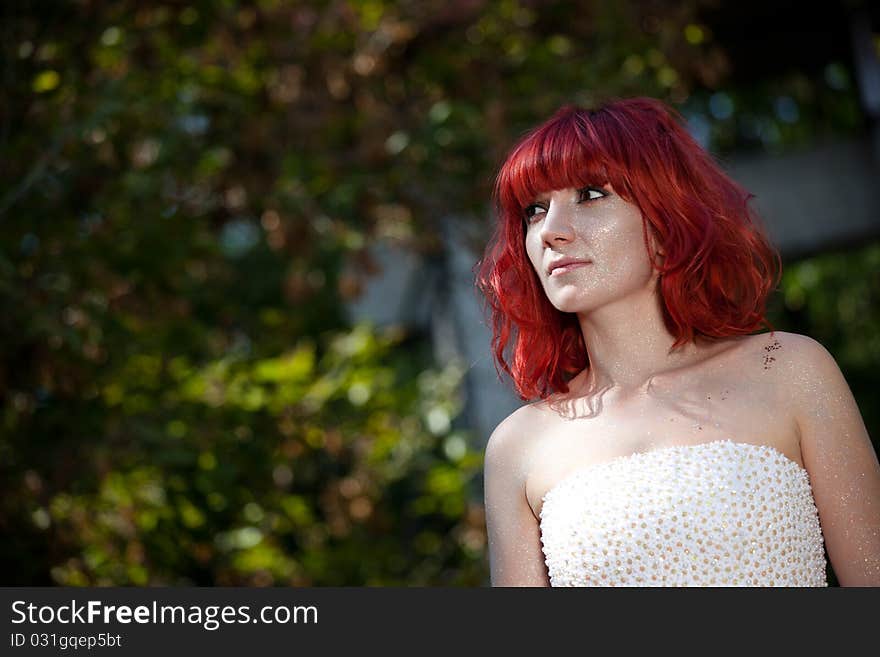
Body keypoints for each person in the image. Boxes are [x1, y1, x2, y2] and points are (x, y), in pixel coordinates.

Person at [476, 96, 880, 587]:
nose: (551, 232)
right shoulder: (518, 446)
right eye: (535, 210)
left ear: (666, 219)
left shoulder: (791, 369)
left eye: (590, 194)